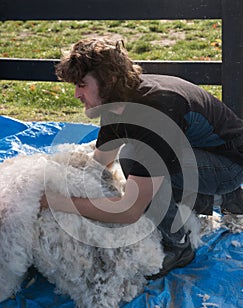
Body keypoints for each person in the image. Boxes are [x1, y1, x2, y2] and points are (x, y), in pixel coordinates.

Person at [40, 38, 243, 278]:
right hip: (203, 153)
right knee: (139, 164)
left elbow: (130, 210)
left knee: (134, 159)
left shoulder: (154, 112)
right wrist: (70, 186)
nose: (76, 94)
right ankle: (227, 197)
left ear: (108, 80)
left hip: (230, 165)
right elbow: (99, 164)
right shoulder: (116, 102)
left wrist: (57, 202)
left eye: (82, 84)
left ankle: (178, 245)